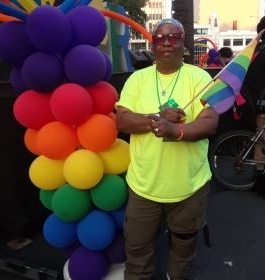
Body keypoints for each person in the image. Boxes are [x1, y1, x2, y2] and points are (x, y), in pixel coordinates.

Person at [115, 19, 219, 280]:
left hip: (189, 186)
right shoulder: (137, 79)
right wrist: (155, 119)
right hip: (144, 187)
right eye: (160, 38)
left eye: (173, 38)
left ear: (183, 44)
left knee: (183, 245)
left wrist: (176, 131)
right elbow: (122, 120)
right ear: (152, 45)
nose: (166, 43)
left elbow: (209, 123)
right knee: (137, 248)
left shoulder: (200, 78)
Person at [240, 16, 265, 174]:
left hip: (253, 101)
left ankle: (259, 170)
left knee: (260, 137)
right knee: (262, 138)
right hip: (261, 102)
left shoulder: (255, 50)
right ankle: (260, 173)